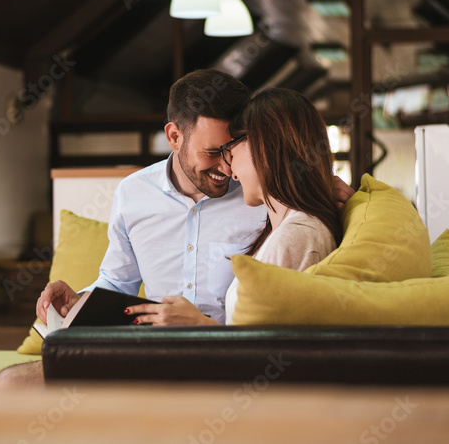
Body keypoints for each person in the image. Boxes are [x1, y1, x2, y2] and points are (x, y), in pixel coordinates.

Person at [0, 74, 352, 388]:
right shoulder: (133, 193)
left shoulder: (261, 198)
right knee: (14, 383)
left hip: (219, 364)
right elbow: (117, 284)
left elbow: (284, 328)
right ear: (174, 136)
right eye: (213, 152)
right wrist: (78, 299)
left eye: (233, 150)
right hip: (150, 349)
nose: (227, 168)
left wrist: (318, 187)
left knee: (12, 386)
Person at [127, 87, 344, 326]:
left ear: (264, 149)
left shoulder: (296, 236)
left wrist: (201, 326)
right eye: (214, 153)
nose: (230, 172)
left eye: (230, 152)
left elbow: (266, 350)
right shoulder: (287, 230)